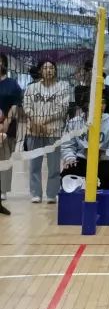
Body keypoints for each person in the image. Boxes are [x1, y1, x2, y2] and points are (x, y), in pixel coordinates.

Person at [23, 59, 72, 204]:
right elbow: (26, 106)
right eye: (45, 68)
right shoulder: (31, 88)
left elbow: (62, 109)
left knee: (54, 166)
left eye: (51, 67)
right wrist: (36, 122)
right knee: (34, 165)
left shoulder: (63, 87)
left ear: (55, 70)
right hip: (35, 131)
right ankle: (35, 193)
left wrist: (44, 121)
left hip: (54, 131)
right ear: (40, 71)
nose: (48, 70)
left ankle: (51, 194)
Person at [61, 96, 109, 190]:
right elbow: (67, 146)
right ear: (86, 104)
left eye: (103, 102)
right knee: (67, 174)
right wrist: (70, 158)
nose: (100, 105)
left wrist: (101, 154)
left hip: (104, 161)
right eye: (97, 101)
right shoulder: (73, 123)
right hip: (81, 160)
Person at [0, 54, 23, 201]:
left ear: (4, 64)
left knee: (4, 159)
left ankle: (2, 190)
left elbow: (16, 105)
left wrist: (6, 122)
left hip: (7, 128)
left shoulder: (12, 84)